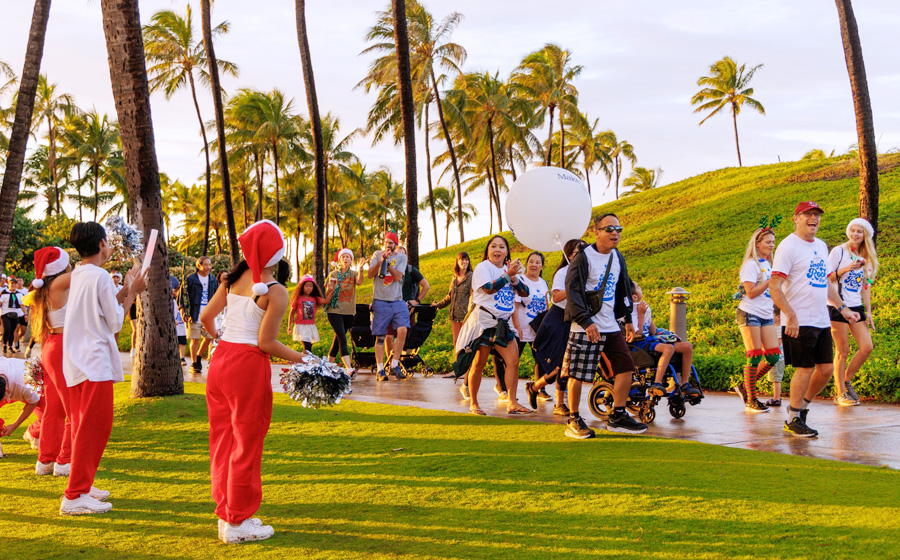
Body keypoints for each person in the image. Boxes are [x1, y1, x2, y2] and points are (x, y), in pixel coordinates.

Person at [200, 219, 309, 544]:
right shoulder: (275, 291)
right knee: (247, 443)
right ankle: (237, 521)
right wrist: (306, 359)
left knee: (222, 441)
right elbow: (266, 343)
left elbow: (206, 318)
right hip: (247, 367)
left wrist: (223, 338)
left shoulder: (232, 279)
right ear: (277, 254)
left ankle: (228, 513)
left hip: (220, 362)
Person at [61, 221, 147, 515]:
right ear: (100, 245)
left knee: (86, 427)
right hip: (93, 361)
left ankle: (82, 485)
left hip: (76, 360)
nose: (110, 247)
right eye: (107, 243)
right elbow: (114, 323)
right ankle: (74, 495)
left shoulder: (81, 274)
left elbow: (104, 307)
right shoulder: (98, 276)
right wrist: (133, 292)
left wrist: (125, 289)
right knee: (94, 428)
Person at [770, 201, 859, 438]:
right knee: (805, 368)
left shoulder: (821, 246)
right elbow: (775, 285)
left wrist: (843, 308)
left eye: (817, 215)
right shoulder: (788, 247)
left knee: (827, 369)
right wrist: (790, 316)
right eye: (808, 214)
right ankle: (792, 419)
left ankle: (801, 409)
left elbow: (825, 283)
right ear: (796, 218)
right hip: (799, 320)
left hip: (821, 318)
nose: (814, 219)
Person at [562, 213, 647, 438]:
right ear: (596, 232)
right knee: (577, 374)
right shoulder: (583, 257)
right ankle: (573, 418)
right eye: (609, 229)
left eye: (618, 229)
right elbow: (573, 291)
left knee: (626, 367)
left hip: (610, 325)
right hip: (585, 326)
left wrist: (628, 319)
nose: (614, 233)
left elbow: (623, 289)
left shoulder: (617, 257)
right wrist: (586, 321)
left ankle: (618, 415)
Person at [453, 235, 532, 416]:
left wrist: (513, 277)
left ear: (507, 252)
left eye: (502, 247)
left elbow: (525, 292)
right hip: (484, 321)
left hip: (503, 323)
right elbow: (489, 288)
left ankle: (512, 403)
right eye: (494, 246)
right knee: (479, 364)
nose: (497, 250)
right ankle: (474, 403)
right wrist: (508, 275)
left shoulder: (510, 270)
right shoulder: (483, 267)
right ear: (488, 251)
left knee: (513, 361)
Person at [26, 247, 73, 477]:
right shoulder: (60, 282)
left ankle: (46, 460)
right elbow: (90, 269)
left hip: (52, 346)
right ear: (62, 266)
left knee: (54, 409)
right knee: (73, 408)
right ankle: (64, 460)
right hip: (62, 346)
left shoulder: (46, 287)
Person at [528, 239, 584, 416]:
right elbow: (557, 297)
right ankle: (558, 402)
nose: (582, 255)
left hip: (575, 320)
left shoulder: (585, 272)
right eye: (577, 252)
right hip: (558, 319)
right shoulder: (563, 272)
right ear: (569, 255)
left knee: (568, 364)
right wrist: (572, 287)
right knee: (561, 363)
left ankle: (535, 387)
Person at [828, 217, 878, 406]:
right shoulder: (839, 252)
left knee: (867, 347)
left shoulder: (867, 256)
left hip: (856, 305)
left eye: (859, 231)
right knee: (842, 350)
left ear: (865, 235)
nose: (855, 234)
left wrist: (869, 311)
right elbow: (827, 278)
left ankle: (846, 380)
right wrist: (846, 269)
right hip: (837, 304)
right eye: (853, 230)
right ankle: (840, 392)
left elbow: (866, 284)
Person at [733, 226, 780, 413]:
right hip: (749, 312)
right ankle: (751, 400)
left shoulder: (768, 264)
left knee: (773, 355)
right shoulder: (751, 265)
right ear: (757, 243)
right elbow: (751, 293)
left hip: (766, 314)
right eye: (768, 242)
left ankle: (745, 386)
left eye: (773, 242)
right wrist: (771, 281)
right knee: (754, 354)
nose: (771, 245)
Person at [631, 281, 701, 400]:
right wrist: (641, 315)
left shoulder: (644, 307)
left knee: (687, 346)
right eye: (638, 287)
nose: (641, 288)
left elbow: (652, 331)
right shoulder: (631, 311)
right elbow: (637, 334)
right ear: (634, 296)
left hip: (650, 340)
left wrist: (659, 329)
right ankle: (657, 383)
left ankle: (685, 383)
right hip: (640, 343)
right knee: (669, 348)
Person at [510, 252, 550, 406]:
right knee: (513, 361)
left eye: (537, 262)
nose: (534, 265)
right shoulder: (520, 280)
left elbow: (547, 305)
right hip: (520, 328)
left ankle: (539, 388)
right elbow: (515, 304)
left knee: (540, 360)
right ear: (527, 264)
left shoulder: (543, 283)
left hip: (537, 330)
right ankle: (507, 391)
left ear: (542, 266)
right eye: (531, 261)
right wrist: (517, 326)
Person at [368, 231, 409, 381]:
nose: (388, 245)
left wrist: (389, 264)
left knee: (403, 330)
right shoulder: (377, 254)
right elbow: (369, 275)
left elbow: (398, 277)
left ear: (395, 244)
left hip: (397, 300)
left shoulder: (401, 257)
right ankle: (380, 369)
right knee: (380, 336)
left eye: (391, 243)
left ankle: (394, 365)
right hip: (380, 299)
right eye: (386, 242)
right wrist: (380, 261)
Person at [324, 248, 365, 376]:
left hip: (349, 313)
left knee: (338, 339)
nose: (345, 259)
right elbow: (327, 296)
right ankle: (348, 368)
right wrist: (330, 289)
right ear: (339, 260)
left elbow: (359, 281)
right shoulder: (333, 275)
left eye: (348, 257)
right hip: (334, 310)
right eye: (343, 257)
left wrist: (361, 269)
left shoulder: (353, 274)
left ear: (351, 260)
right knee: (342, 337)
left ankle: (327, 366)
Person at [0, 356, 43, 453]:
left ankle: (33, 433)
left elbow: (33, 402)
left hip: (32, 383)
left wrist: (15, 425)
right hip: (15, 383)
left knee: (48, 415)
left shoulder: (25, 385)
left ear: (6, 390)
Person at [185, 256, 219, 375]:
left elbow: (216, 296)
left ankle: (199, 356)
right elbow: (183, 297)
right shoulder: (191, 279)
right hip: (194, 314)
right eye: (205, 265)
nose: (208, 267)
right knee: (195, 339)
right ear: (199, 266)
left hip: (208, 314)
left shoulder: (212, 279)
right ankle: (194, 363)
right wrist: (183, 312)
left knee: (210, 337)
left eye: (210, 265)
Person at [432, 252, 473, 348]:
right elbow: (450, 296)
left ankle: (468, 363)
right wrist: (438, 305)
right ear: (457, 262)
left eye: (466, 259)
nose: (464, 262)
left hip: (466, 315)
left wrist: (470, 313)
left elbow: (473, 296)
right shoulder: (455, 277)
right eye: (462, 259)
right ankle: (458, 361)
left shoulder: (471, 276)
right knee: (456, 341)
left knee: (466, 342)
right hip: (454, 314)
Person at [288, 274, 326, 352]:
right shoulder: (298, 298)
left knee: (308, 348)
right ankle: (305, 361)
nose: (309, 288)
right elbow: (292, 313)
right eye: (307, 286)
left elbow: (326, 301)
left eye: (311, 286)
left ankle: (302, 360)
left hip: (311, 326)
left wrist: (331, 289)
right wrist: (289, 326)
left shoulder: (315, 298)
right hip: (301, 326)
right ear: (302, 287)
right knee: (307, 346)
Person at [764, 306, 786, 407]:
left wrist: (768, 346)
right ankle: (776, 397)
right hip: (779, 357)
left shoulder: (778, 328)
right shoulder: (777, 328)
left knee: (776, 379)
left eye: (771, 315)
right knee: (775, 378)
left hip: (778, 358)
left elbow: (778, 342)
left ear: (778, 317)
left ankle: (776, 398)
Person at [1, 277, 26, 355]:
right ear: (8, 284)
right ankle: (4, 345)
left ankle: (10, 346)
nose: (13, 285)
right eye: (11, 284)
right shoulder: (4, 293)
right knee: (7, 330)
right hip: (5, 313)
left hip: (15, 314)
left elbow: (22, 305)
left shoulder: (19, 294)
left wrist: (25, 314)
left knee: (12, 331)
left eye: (15, 284)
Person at [173, 287, 188, 365]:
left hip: (182, 327)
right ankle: (175, 357)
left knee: (182, 343)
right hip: (175, 327)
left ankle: (182, 357)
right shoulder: (172, 302)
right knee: (174, 343)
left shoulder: (185, 303)